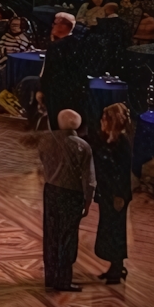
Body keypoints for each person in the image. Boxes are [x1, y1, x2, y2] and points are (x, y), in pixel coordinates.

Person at [36, 109, 96, 292]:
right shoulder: (83, 146)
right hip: (72, 194)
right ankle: (64, 279)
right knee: (67, 237)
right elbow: (89, 179)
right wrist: (88, 201)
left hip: (51, 191)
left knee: (51, 234)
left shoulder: (47, 140)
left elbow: (42, 160)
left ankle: (50, 277)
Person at [92, 102, 132, 284]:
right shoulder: (107, 139)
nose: (101, 121)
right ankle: (115, 266)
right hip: (107, 192)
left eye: (104, 119)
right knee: (108, 229)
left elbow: (123, 173)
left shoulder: (122, 144)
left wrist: (119, 196)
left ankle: (117, 268)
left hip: (117, 195)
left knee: (116, 230)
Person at [39, 13, 88, 130]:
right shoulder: (82, 44)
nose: (52, 26)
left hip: (57, 94)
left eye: (55, 23)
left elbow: (48, 72)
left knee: (57, 128)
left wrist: (41, 90)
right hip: (78, 93)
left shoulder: (55, 47)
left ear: (63, 27)